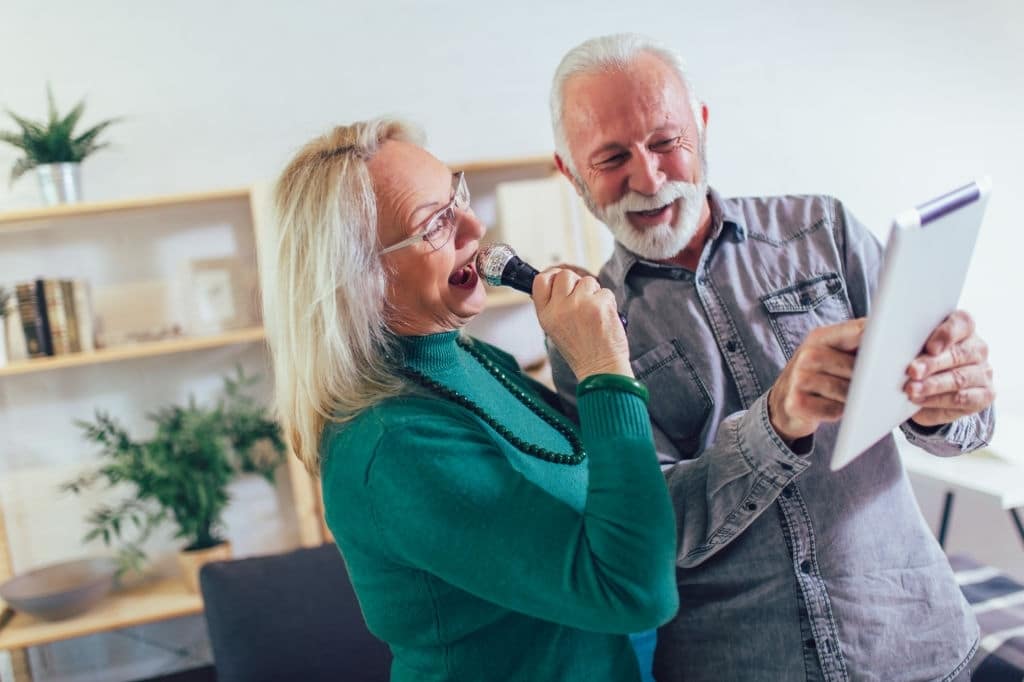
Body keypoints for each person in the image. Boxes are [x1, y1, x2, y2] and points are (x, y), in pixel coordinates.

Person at [546, 34, 996, 682]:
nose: (649, 178)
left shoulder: (825, 230)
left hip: (915, 647)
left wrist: (949, 399)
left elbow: (964, 430)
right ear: (570, 172)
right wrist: (775, 423)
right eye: (613, 157)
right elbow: (648, 534)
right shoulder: (583, 333)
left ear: (700, 127)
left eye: (667, 141)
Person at [259, 118, 678, 682]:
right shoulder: (397, 445)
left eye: (455, 195)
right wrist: (604, 367)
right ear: (362, 278)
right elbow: (635, 591)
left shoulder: (467, 356)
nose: (475, 225)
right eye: (434, 223)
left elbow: (607, 495)